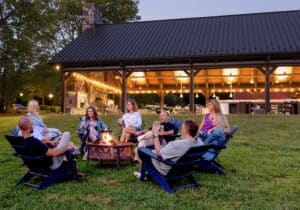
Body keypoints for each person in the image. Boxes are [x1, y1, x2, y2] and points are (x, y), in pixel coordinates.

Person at [134, 120, 200, 178]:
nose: (181, 130)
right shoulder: (199, 142)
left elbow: (158, 153)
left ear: (185, 130)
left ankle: (145, 174)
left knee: (140, 150)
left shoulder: (176, 144)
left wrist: (155, 135)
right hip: (184, 169)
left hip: (167, 170)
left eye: (182, 128)